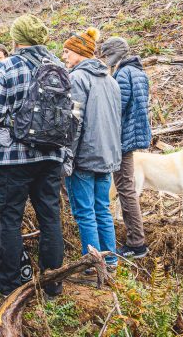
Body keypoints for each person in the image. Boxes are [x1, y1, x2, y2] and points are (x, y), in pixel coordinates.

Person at [0, 14, 65, 298]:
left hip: (14, 158)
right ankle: (52, 286)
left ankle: (9, 286)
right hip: (51, 156)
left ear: (17, 40)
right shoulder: (58, 66)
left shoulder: (8, 66)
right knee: (50, 219)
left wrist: (12, 122)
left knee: (11, 221)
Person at [61, 28, 122, 271]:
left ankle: (94, 265)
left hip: (84, 156)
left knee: (85, 212)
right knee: (102, 210)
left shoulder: (77, 78)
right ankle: (111, 260)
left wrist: (68, 155)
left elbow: (74, 121)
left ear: (79, 53)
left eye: (67, 51)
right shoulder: (111, 80)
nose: (64, 56)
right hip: (107, 156)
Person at [98, 37, 152, 259]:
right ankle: (136, 241)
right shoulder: (138, 72)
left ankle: (136, 243)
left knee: (125, 188)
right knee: (127, 187)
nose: (105, 60)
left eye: (106, 55)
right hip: (131, 136)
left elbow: (116, 107)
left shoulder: (123, 74)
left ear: (114, 54)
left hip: (122, 138)